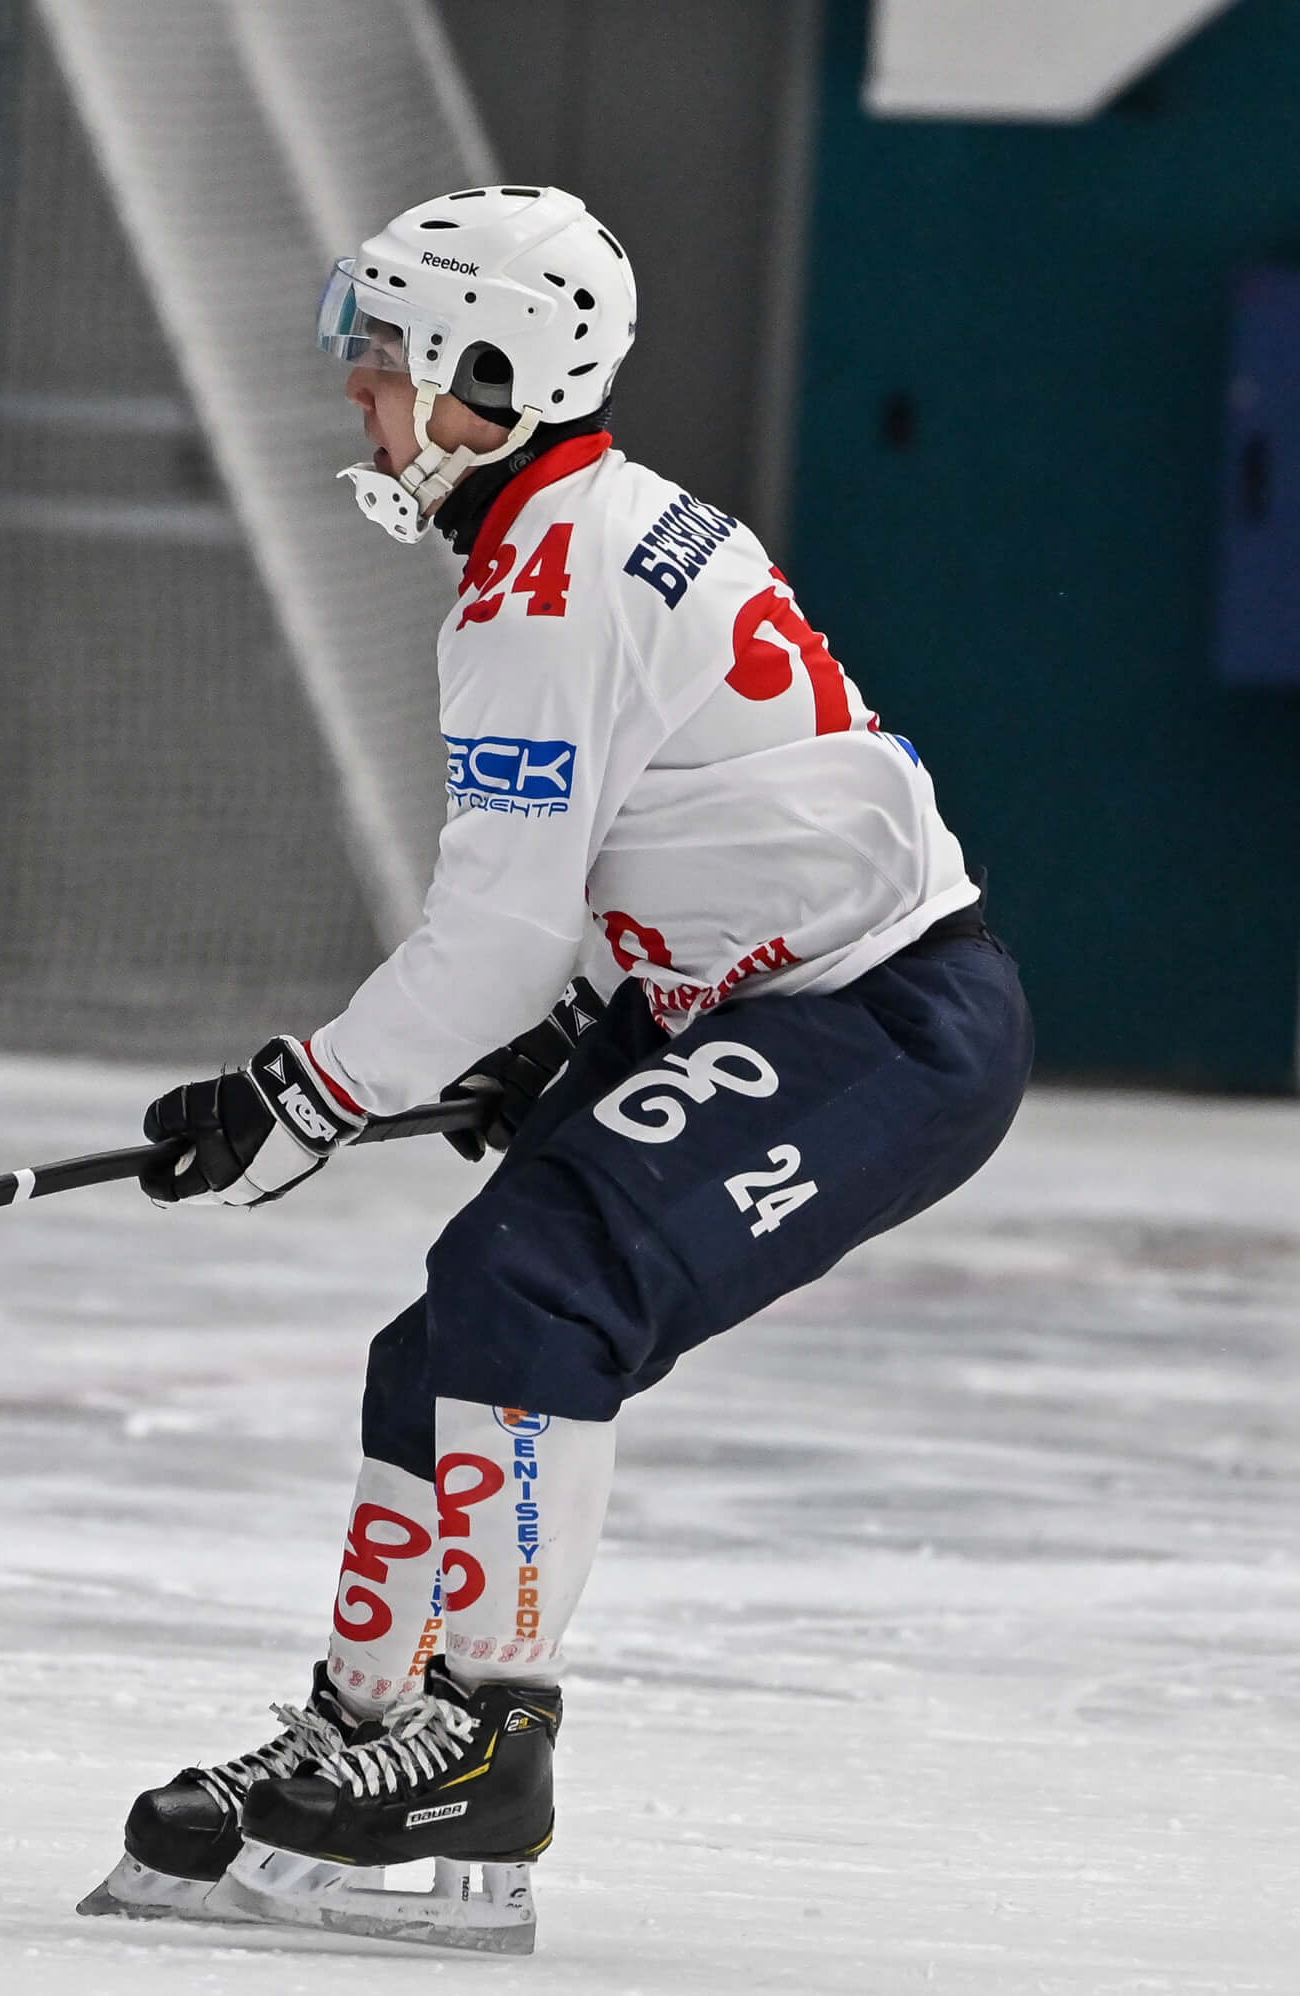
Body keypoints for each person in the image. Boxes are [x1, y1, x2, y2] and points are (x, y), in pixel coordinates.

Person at [78, 187, 1031, 1953]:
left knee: (537, 1279)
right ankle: (367, 1726)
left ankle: (487, 1747)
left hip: (880, 1018)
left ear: (487, 378)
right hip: (736, 995)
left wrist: (305, 1094)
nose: (358, 396)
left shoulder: (542, 584)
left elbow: (502, 924)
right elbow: (677, 827)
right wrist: (582, 1022)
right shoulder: (595, 525)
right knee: (442, 1341)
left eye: (384, 361)